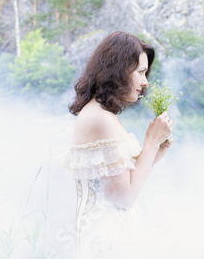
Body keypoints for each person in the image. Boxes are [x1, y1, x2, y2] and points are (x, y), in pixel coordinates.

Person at [58, 31, 173, 258]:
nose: (145, 81)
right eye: (141, 72)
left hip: (110, 233)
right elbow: (123, 198)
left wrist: (155, 151)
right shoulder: (101, 119)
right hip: (106, 238)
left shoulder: (102, 114)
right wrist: (150, 141)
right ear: (119, 70)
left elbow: (121, 180)